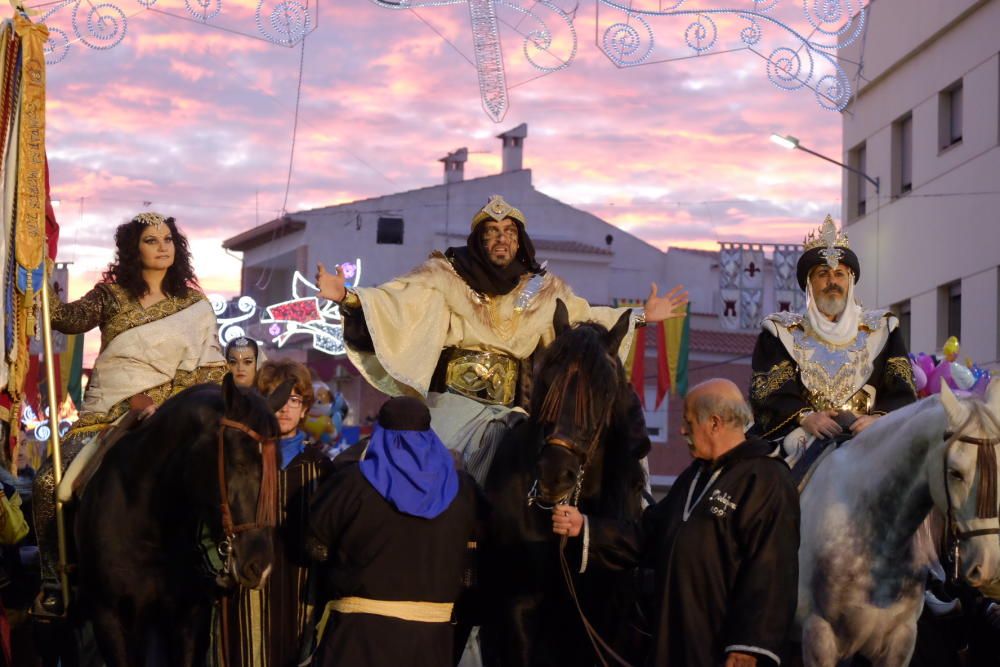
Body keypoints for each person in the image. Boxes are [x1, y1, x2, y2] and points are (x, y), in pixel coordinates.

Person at [315, 194, 687, 478]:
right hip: (452, 406)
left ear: (520, 240)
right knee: (422, 469)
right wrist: (347, 296)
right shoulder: (443, 276)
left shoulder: (543, 291)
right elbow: (396, 302)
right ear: (479, 239)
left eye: (509, 232)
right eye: (492, 232)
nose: (501, 239)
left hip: (514, 409)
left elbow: (585, 318)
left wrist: (639, 316)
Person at [33, 212, 226, 615]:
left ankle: (218, 563)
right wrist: (39, 275)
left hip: (171, 416)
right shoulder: (110, 295)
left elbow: (212, 368)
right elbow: (66, 320)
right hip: (106, 416)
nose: (162, 247)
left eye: (168, 239)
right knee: (50, 483)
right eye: (151, 240)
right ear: (132, 249)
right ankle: (55, 579)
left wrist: (158, 398)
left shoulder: (195, 305)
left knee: (221, 478)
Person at [552, 379, 800, 667]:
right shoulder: (693, 477)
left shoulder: (767, 479)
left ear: (715, 423)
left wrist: (749, 647)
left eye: (689, 421)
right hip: (673, 641)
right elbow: (648, 535)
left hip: (726, 651)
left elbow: (772, 572)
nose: (682, 430)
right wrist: (585, 527)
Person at [306, 396, 480, 667]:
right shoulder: (465, 491)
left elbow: (315, 543)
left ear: (379, 433)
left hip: (358, 638)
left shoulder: (352, 484)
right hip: (433, 642)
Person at [748, 215, 916, 469]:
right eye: (823, 274)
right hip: (806, 433)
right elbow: (769, 391)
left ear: (850, 282)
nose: (832, 282)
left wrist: (879, 420)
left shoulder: (882, 328)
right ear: (809, 283)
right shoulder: (781, 331)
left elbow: (902, 390)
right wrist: (805, 417)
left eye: (840, 274)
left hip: (870, 432)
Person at [212, 359, 331, 667]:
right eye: (277, 399)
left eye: (294, 400)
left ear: (305, 408)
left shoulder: (319, 467)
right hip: (245, 588)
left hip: (300, 588)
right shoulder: (239, 463)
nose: (285, 409)